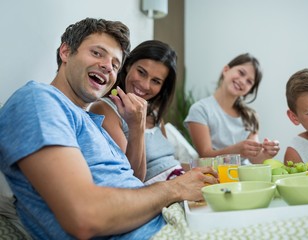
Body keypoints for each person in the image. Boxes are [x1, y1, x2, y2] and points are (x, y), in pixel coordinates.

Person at [0, 18, 218, 239]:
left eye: (115, 64)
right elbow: (85, 216)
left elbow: (133, 179)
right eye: (97, 53)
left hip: (170, 220)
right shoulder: (38, 100)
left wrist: (136, 128)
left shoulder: (93, 124)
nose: (107, 66)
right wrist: (175, 188)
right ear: (65, 52)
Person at [89, 40, 185, 184]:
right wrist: (136, 124)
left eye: (156, 81)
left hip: (178, 180)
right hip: (156, 193)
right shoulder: (104, 109)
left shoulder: (154, 112)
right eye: (141, 72)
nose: (145, 85)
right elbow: (130, 177)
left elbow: (169, 162)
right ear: (127, 65)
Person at [184, 53, 280, 164]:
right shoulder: (200, 110)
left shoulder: (250, 117)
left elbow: (255, 159)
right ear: (225, 70)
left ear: (250, 90)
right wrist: (236, 151)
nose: (243, 81)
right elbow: (205, 155)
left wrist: (267, 154)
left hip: (244, 177)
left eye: (249, 81)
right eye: (241, 73)